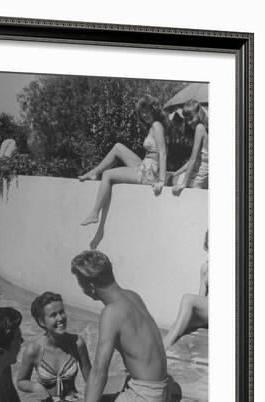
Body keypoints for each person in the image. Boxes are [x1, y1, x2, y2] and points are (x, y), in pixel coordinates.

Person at [51, 251, 169, 402]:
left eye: (79, 282)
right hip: (160, 392)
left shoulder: (111, 313)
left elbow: (99, 371)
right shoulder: (132, 296)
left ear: (90, 286)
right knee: (89, 389)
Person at [79, 95, 169, 246]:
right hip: (145, 165)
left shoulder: (157, 126)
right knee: (118, 147)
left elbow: (163, 153)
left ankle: (95, 213)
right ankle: (93, 172)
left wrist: (161, 180)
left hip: (148, 171)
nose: (145, 115)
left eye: (147, 111)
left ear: (153, 109)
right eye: (142, 112)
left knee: (108, 175)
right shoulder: (153, 126)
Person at [17, 292, 92, 402]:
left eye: (62, 312)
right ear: (41, 322)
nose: (60, 318)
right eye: (53, 315)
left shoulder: (77, 343)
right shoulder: (34, 350)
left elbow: (91, 379)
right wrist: (36, 387)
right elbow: (21, 381)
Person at [163, 231, 208, 350]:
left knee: (188, 298)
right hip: (207, 313)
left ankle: (165, 347)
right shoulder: (205, 268)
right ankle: (160, 350)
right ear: (207, 245)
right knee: (178, 324)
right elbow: (201, 297)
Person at [172, 99, 208, 194]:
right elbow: (192, 161)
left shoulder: (199, 128)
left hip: (200, 174)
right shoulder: (203, 128)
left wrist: (184, 183)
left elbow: (193, 159)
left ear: (198, 113)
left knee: (173, 182)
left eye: (191, 118)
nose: (189, 122)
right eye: (186, 119)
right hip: (202, 171)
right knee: (173, 177)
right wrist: (176, 173)